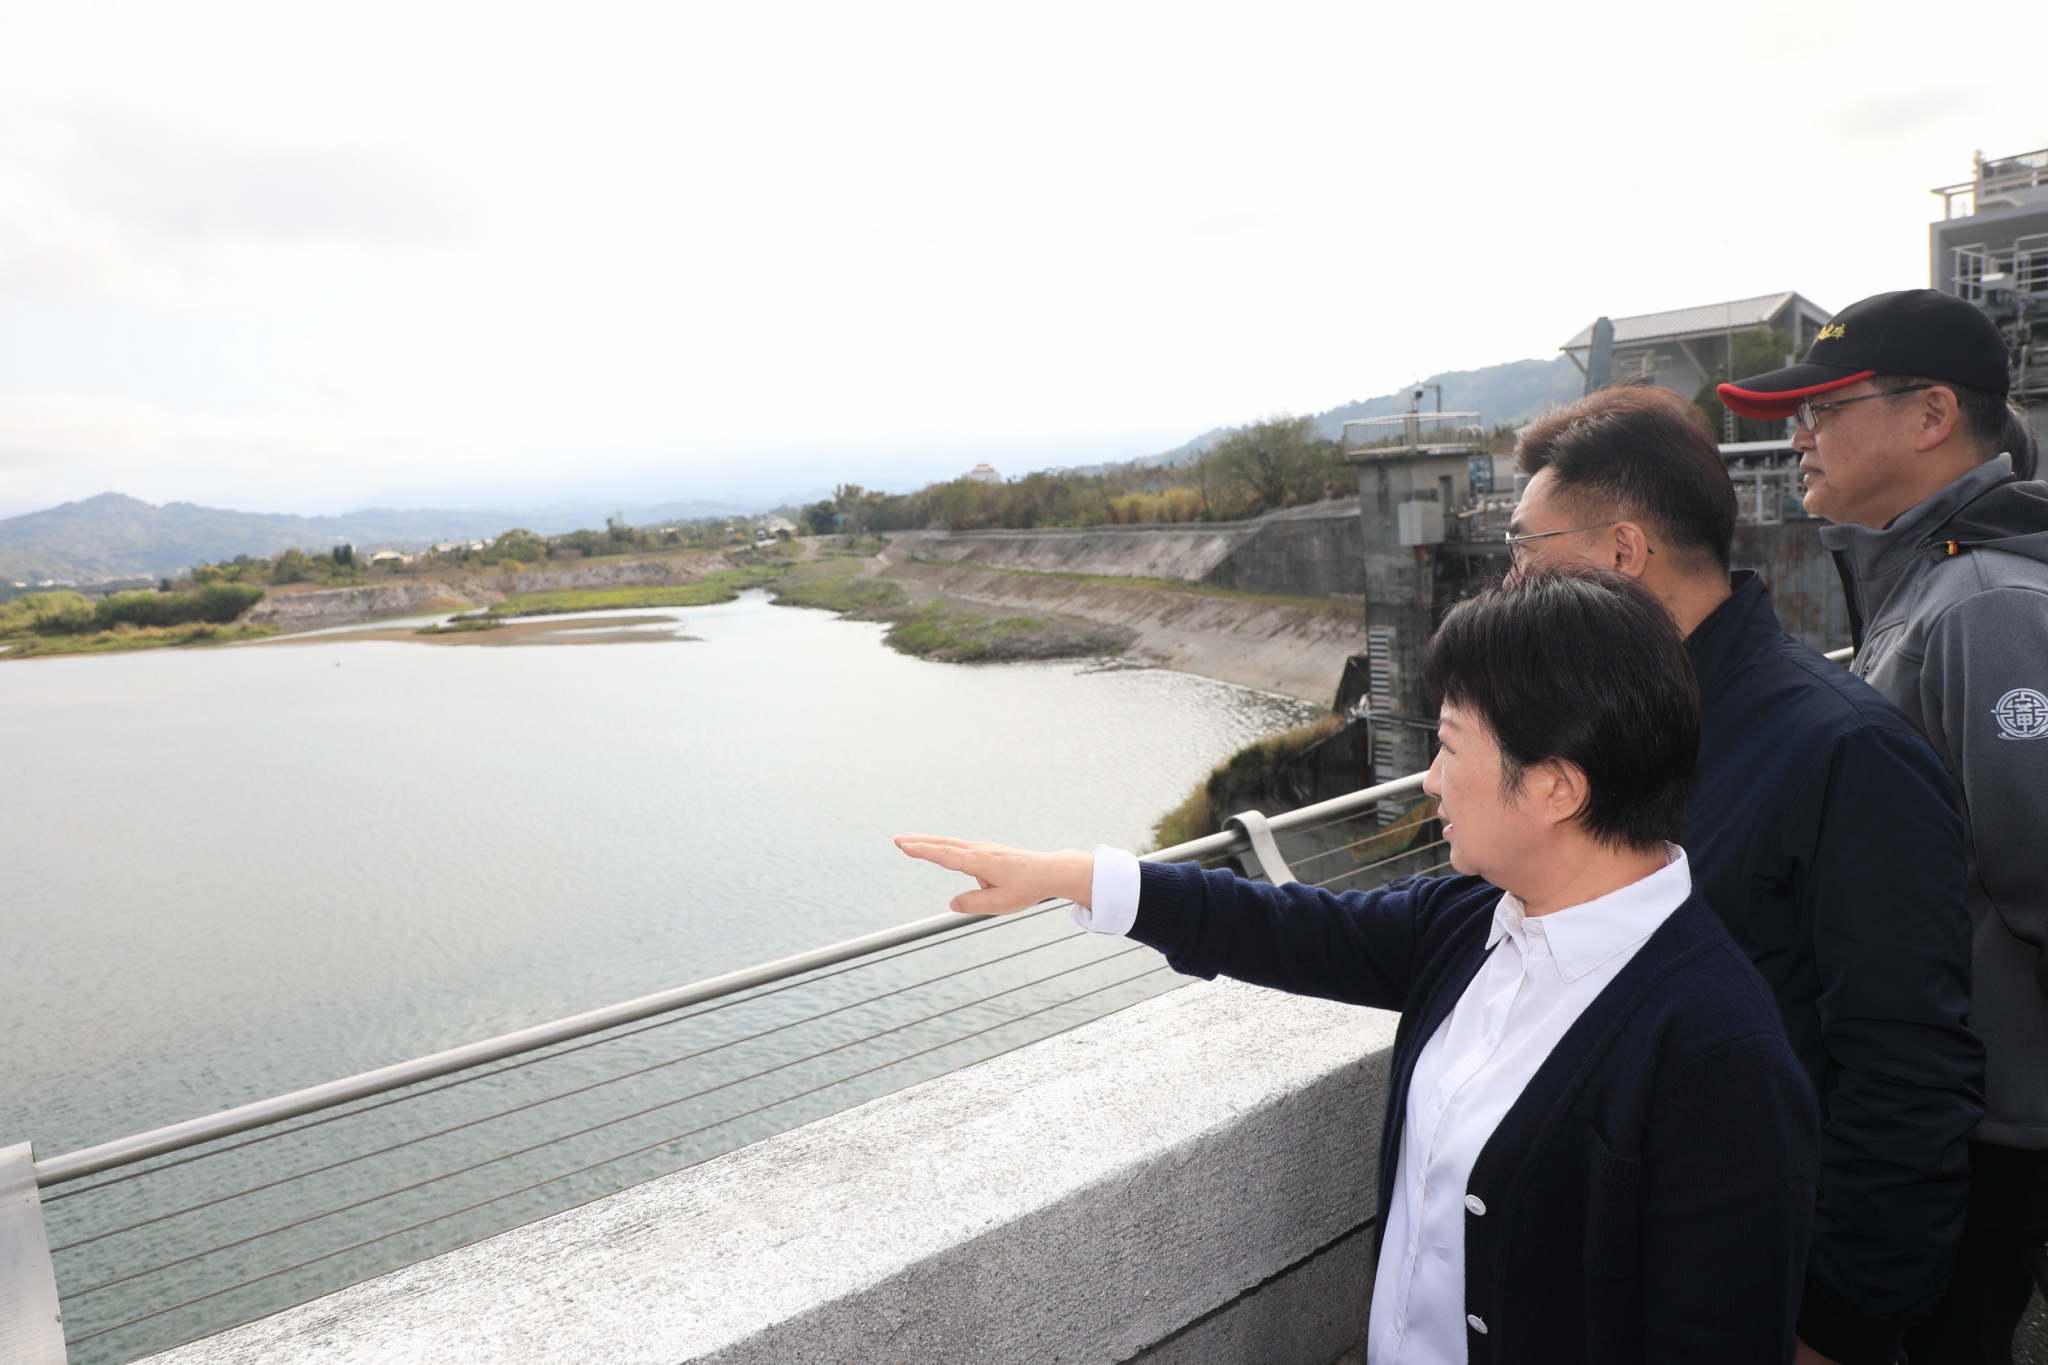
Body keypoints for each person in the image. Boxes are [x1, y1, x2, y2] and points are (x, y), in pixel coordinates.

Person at [900, 570, 1820, 1364]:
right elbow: (1287, 928)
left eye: (1449, 745)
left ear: (1556, 786)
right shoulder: (1471, 921)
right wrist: (1076, 876)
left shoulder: (1715, 1053)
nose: (1428, 779)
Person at [1502, 382, 1982, 1365]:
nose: (1511, 583)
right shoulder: (1629, 734)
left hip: (1769, 1296)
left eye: (1525, 550)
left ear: (1622, 553)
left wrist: (1835, 1324)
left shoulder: (1844, 752)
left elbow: (1908, 1071)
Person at [1720, 288, 2048, 1365]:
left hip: (1999, 1124)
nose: (1796, 436)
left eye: (1823, 408)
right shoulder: (1924, 579)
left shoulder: (1982, 604)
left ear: (1931, 416)